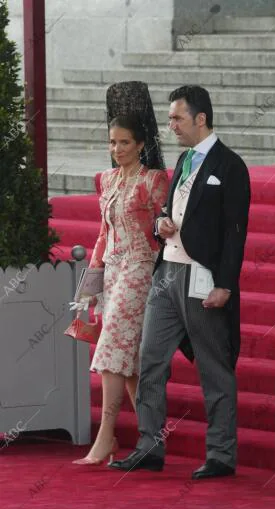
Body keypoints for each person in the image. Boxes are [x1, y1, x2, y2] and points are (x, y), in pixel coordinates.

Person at [109, 85, 251, 479]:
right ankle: (149, 447)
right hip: (166, 273)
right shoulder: (185, 160)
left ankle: (221, 454)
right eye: (170, 117)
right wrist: (160, 223)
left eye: (177, 118)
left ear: (200, 118)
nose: (170, 125)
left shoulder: (230, 166)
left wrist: (225, 284)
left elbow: (235, 232)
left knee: (213, 367)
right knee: (150, 360)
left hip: (201, 277)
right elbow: (169, 212)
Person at [72, 112, 168, 465]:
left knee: (112, 349)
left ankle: (106, 435)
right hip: (112, 272)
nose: (117, 148)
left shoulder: (153, 180)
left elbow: (164, 226)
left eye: (124, 142)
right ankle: (151, 440)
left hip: (141, 269)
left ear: (140, 144)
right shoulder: (108, 179)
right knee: (128, 362)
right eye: (113, 142)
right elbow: (102, 233)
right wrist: (90, 286)